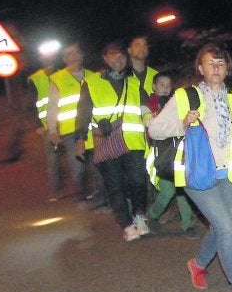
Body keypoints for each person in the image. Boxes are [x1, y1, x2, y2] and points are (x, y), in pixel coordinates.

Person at [148, 43, 232, 292]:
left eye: (221, 63)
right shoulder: (185, 97)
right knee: (227, 228)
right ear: (200, 68)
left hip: (229, 175)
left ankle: (197, 264)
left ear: (227, 68)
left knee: (220, 228)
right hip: (197, 174)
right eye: (210, 63)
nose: (216, 68)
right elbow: (155, 130)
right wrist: (181, 123)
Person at [75, 41, 152, 241]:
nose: (117, 59)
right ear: (105, 59)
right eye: (112, 55)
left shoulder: (133, 80)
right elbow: (83, 112)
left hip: (133, 141)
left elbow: (143, 106)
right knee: (115, 185)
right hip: (107, 142)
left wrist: (152, 122)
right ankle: (126, 225)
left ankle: (139, 217)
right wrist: (80, 138)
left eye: (121, 55)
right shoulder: (92, 82)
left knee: (138, 181)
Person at [146, 71, 198, 238]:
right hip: (162, 156)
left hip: (179, 154)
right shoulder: (149, 105)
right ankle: (152, 216)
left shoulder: (174, 103)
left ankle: (187, 225)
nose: (165, 88)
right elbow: (151, 127)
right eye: (162, 84)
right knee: (167, 192)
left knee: (182, 189)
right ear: (154, 86)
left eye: (168, 85)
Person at [46, 41, 95, 201]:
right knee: (78, 168)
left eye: (75, 53)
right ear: (64, 58)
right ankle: (82, 194)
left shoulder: (93, 76)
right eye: (68, 54)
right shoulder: (57, 79)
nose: (73, 57)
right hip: (70, 131)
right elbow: (52, 106)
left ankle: (97, 195)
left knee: (96, 165)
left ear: (81, 55)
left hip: (92, 128)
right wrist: (52, 130)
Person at [27, 40, 63, 201]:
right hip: (47, 126)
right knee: (53, 160)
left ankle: (81, 190)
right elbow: (31, 104)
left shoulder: (65, 73)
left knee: (76, 157)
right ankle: (55, 191)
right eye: (44, 56)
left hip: (68, 123)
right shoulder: (34, 79)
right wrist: (38, 126)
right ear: (40, 58)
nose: (48, 58)